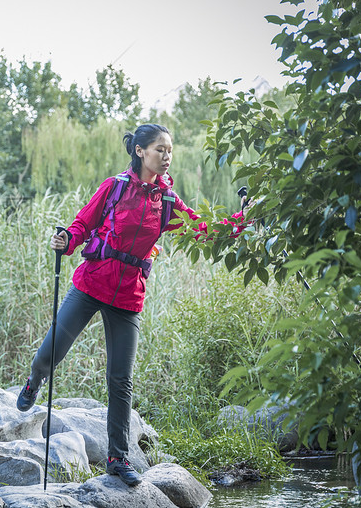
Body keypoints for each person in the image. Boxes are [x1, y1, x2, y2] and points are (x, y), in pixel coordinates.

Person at [15, 123, 237, 486]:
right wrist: (66, 241)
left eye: (170, 150)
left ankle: (118, 458)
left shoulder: (166, 200)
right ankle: (35, 379)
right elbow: (83, 223)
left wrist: (241, 221)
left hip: (129, 296)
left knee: (121, 380)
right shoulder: (115, 186)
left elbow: (203, 228)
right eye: (160, 150)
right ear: (140, 151)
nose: (167, 156)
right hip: (92, 283)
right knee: (51, 350)